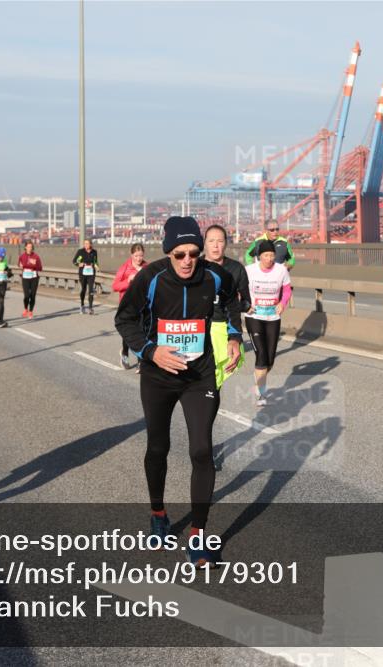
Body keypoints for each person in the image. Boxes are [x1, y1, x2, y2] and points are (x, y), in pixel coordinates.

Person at [115, 216, 242, 568]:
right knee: (158, 446)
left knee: (202, 450)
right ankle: (159, 514)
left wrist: (233, 335)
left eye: (194, 253)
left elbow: (232, 301)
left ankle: (198, 536)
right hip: (159, 375)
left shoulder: (215, 275)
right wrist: (151, 350)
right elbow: (124, 319)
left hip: (200, 374)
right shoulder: (150, 278)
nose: (187, 261)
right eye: (179, 254)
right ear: (168, 251)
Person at [244, 240, 292, 406]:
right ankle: (261, 393)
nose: (269, 258)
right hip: (254, 317)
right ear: (259, 256)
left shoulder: (281, 270)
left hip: (273, 317)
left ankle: (259, 373)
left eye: (272, 255)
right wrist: (245, 304)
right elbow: (239, 288)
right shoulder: (249, 270)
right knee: (262, 355)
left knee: (270, 358)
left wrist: (282, 304)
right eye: (266, 255)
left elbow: (287, 289)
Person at [203, 225, 251, 388]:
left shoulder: (236, 269)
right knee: (205, 382)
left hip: (226, 328)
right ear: (204, 244)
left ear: (226, 244)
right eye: (211, 241)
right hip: (200, 328)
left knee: (215, 383)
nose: (216, 245)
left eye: (220, 241)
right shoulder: (195, 267)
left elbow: (247, 303)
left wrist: (237, 301)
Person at [111, 243, 147, 370]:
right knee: (129, 332)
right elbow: (115, 286)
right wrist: (128, 281)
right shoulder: (125, 268)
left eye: (141, 255)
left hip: (142, 304)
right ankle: (125, 353)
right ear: (131, 255)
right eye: (136, 256)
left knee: (142, 331)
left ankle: (141, 361)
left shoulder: (146, 267)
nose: (138, 258)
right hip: (127, 305)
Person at [17, 241, 43, 318]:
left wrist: (34, 266)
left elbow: (40, 268)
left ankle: (30, 311)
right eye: (28, 247)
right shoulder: (22, 256)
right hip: (25, 277)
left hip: (34, 278)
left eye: (31, 247)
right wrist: (20, 266)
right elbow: (19, 264)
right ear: (25, 247)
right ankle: (25, 309)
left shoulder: (36, 256)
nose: (29, 248)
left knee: (33, 295)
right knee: (26, 295)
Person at [72, 239, 99, 315]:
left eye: (87, 243)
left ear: (90, 244)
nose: (86, 245)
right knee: (83, 289)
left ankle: (90, 308)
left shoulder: (94, 252)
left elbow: (95, 261)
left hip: (91, 273)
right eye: (85, 244)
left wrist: (97, 266)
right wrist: (79, 264)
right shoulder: (81, 252)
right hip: (82, 273)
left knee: (91, 290)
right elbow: (74, 261)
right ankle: (82, 305)